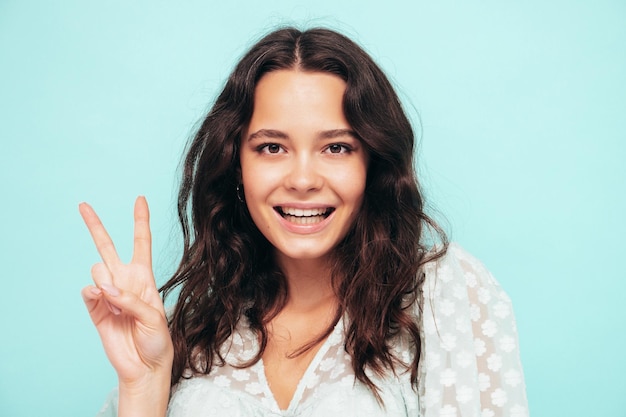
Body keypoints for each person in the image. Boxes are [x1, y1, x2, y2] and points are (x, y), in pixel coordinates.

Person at [80, 27, 528, 417]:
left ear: (373, 163)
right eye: (272, 147)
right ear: (237, 165)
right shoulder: (192, 328)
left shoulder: (442, 292)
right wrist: (144, 385)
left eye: (336, 148)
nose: (302, 180)